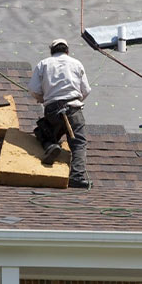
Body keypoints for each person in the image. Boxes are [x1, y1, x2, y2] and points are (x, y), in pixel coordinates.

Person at [28, 38, 92, 188]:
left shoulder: (43, 64)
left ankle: (50, 145)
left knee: (44, 133)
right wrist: (75, 100)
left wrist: (43, 99)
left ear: (52, 52)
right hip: (73, 108)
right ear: (67, 51)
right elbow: (86, 90)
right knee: (78, 142)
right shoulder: (76, 63)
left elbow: (33, 89)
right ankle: (77, 176)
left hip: (52, 110)